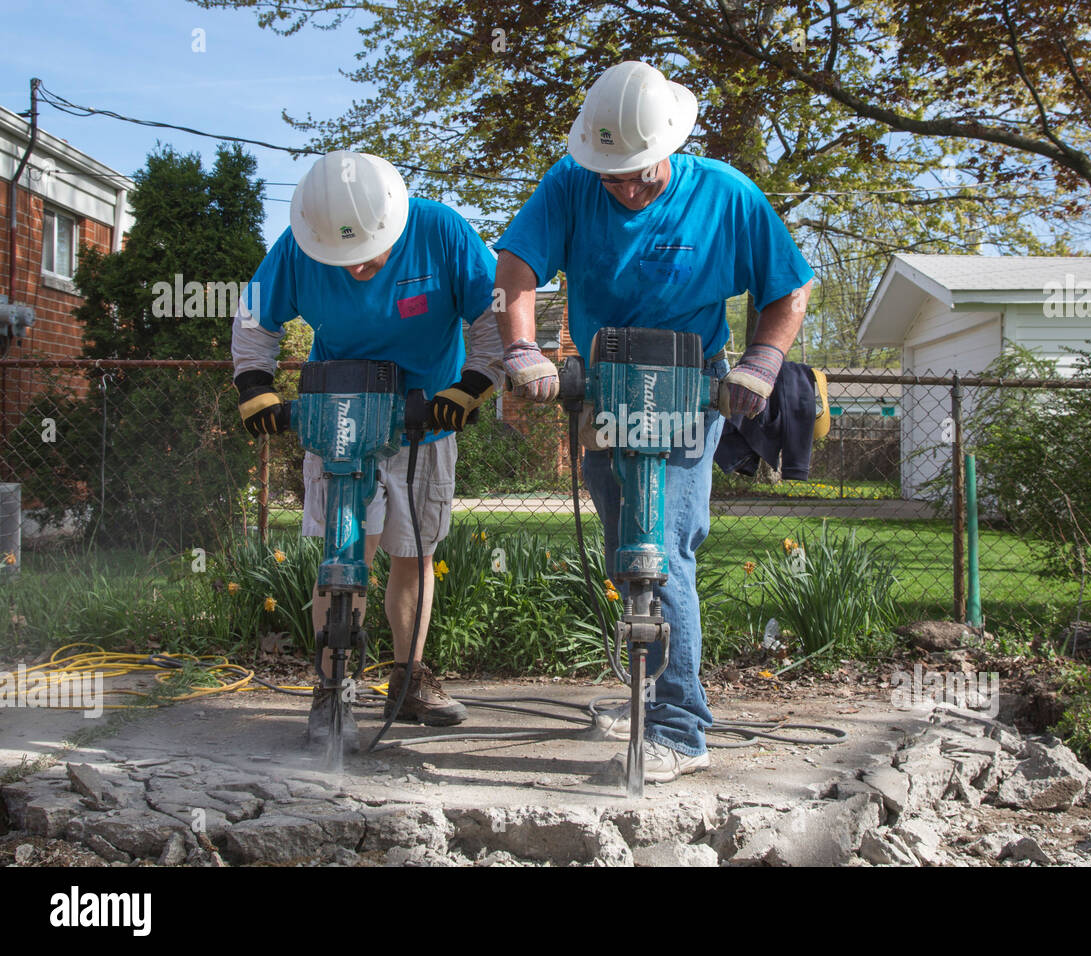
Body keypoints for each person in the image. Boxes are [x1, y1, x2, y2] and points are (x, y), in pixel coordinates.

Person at [494, 61, 814, 782]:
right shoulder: (571, 183)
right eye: (613, 177)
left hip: (686, 387)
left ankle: (680, 727)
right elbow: (515, 270)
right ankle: (647, 684)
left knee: (662, 549)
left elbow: (788, 291)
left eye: (639, 173)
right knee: (626, 549)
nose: (626, 189)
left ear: (669, 143)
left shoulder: (727, 196)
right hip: (606, 383)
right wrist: (522, 348)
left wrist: (762, 364)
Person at [230, 150, 504, 751]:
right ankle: (332, 690)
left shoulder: (442, 230)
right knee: (343, 556)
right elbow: (253, 314)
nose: (355, 269)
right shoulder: (301, 243)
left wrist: (474, 382)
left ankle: (409, 680)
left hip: (424, 423)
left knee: (413, 553)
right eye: (341, 259)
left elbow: (493, 312)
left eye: (366, 256)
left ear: (394, 222)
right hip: (339, 418)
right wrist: (254, 383)